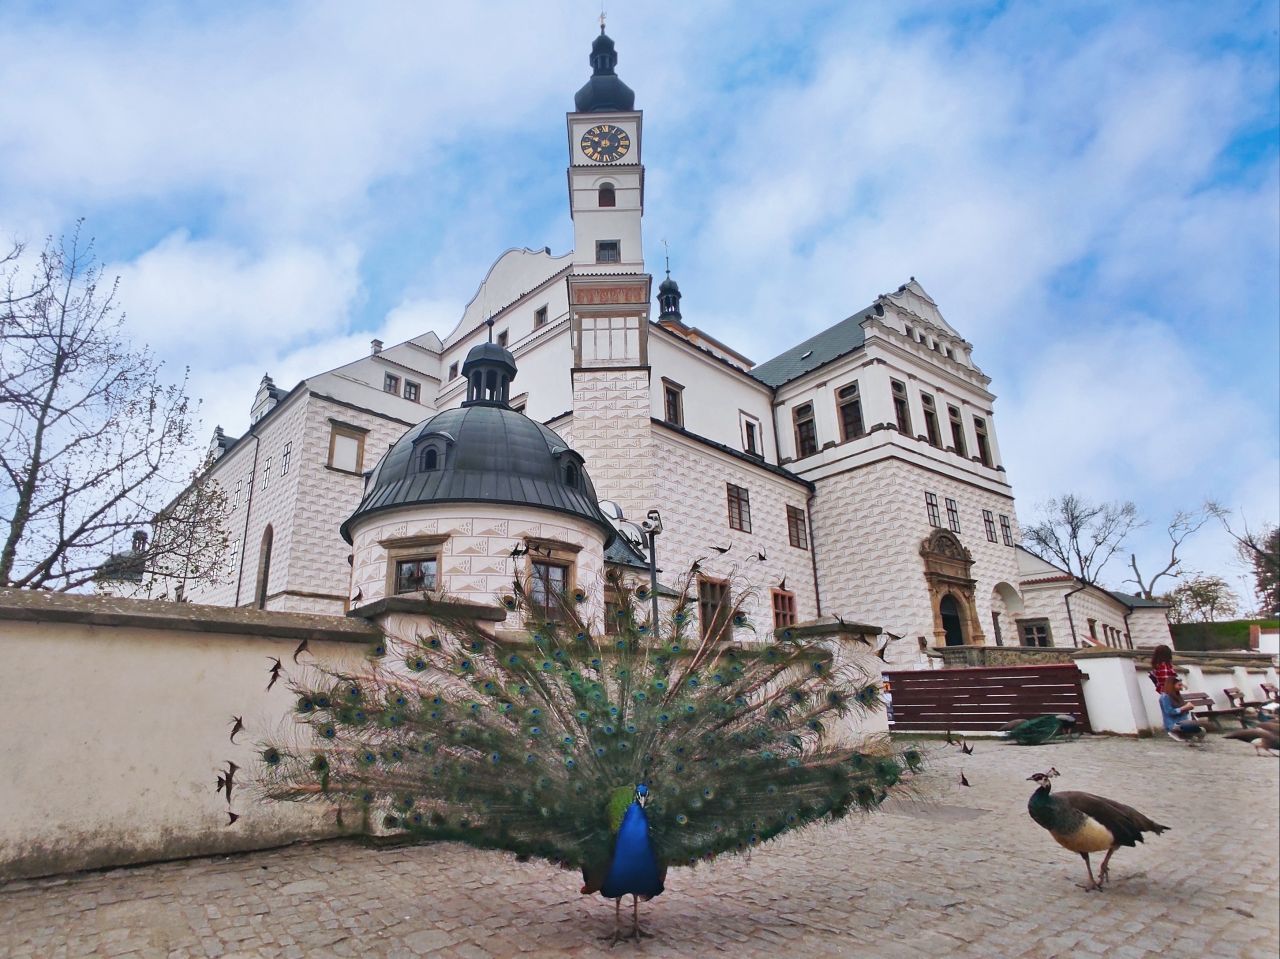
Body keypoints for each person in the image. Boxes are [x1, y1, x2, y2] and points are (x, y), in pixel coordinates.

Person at [1159, 678, 1205, 744]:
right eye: (1179, 685)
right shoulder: (1165, 697)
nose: (1181, 687)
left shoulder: (1177, 695)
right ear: (1172, 685)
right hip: (1173, 723)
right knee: (1194, 727)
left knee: (1201, 728)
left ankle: (1187, 735)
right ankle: (1176, 733)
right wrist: (1184, 707)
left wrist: (1188, 708)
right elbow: (1169, 712)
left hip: (1183, 721)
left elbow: (1183, 711)